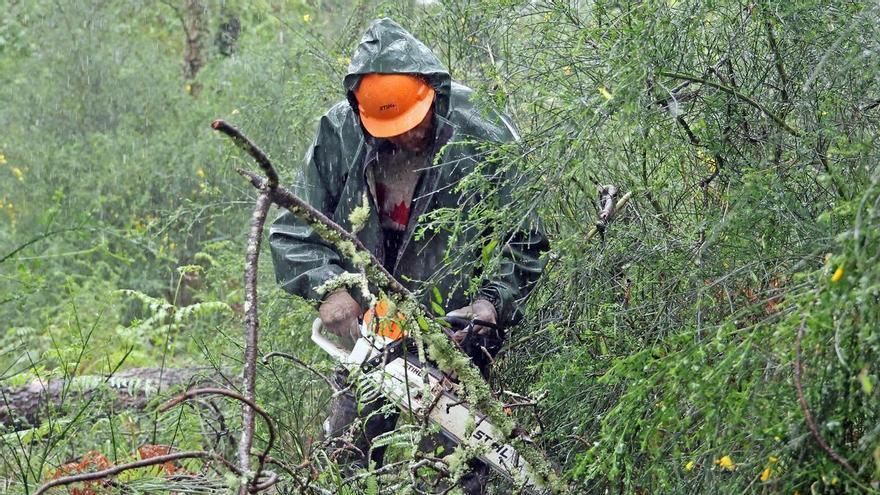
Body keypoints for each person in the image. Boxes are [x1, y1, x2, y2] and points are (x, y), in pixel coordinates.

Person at [268, 18, 547, 494]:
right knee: (344, 460)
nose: (405, 138)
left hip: (455, 335)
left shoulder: (480, 130)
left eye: (413, 125)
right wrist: (329, 289)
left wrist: (490, 304)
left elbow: (525, 239)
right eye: (391, 129)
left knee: (450, 471)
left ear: (431, 94)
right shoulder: (340, 133)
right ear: (363, 115)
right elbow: (295, 229)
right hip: (370, 332)